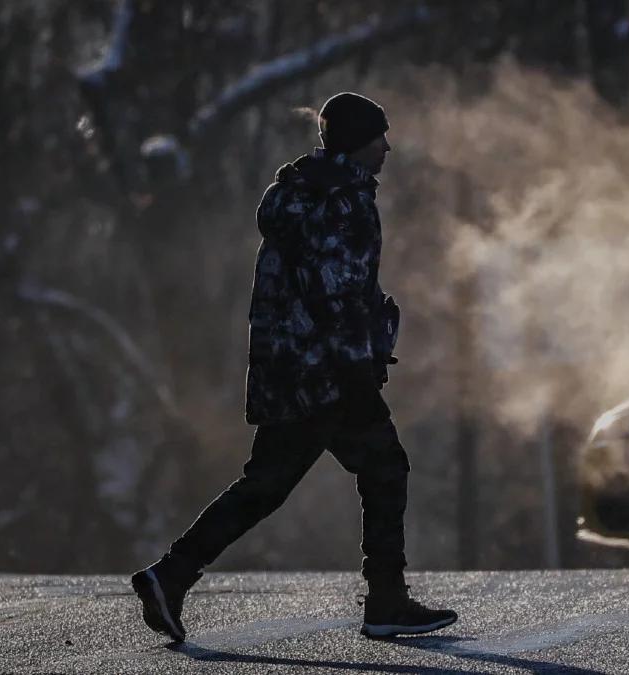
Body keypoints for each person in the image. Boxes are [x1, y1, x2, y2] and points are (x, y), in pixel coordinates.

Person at [130, 92, 456, 641]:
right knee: (384, 468)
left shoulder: (301, 194)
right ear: (356, 142)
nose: (387, 147)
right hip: (327, 373)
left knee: (266, 485)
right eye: (379, 136)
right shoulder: (341, 200)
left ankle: (171, 575)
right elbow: (335, 293)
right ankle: (386, 602)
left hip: (290, 370)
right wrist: (357, 368)